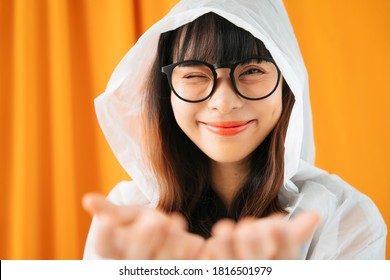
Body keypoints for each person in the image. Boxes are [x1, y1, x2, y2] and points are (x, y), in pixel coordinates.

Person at [82, 0, 387, 259]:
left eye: (252, 70)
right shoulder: (125, 216)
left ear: (287, 85)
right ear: (167, 91)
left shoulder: (346, 217)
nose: (224, 102)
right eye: (194, 74)